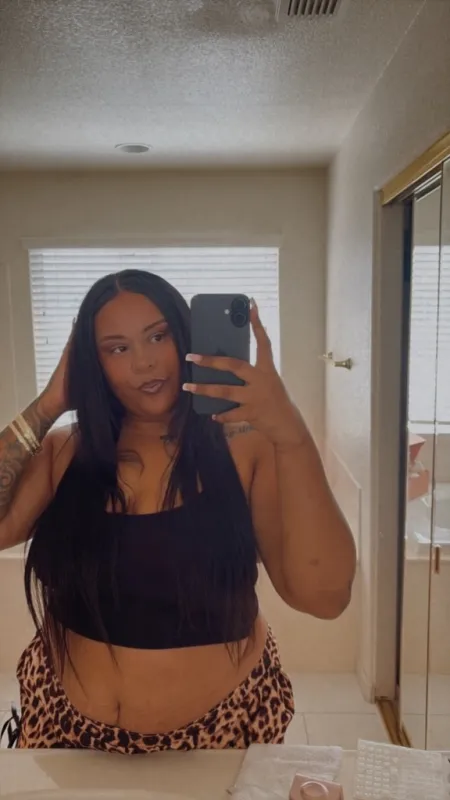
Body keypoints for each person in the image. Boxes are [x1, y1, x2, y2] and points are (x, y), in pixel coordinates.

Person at [0, 269, 356, 754]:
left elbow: (324, 597)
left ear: (184, 335)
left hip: (217, 734)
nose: (144, 362)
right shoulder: (66, 451)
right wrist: (48, 404)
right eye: (117, 348)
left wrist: (290, 432)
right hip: (62, 727)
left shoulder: (245, 446)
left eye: (158, 336)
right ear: (91, 362)